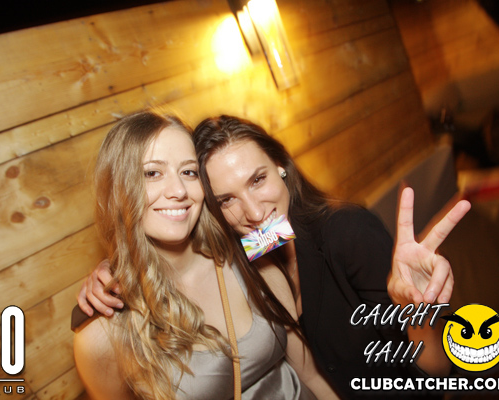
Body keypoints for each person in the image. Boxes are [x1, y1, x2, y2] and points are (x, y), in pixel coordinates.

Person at [78, 115, 471, 398]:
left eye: (258, 179)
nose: (252, 211)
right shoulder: (259, 242)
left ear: (281, 166)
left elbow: (436, 370)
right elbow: (161, 251)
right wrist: (112, 269)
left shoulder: (344, 232)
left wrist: (416, 311)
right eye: (226, 199)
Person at [72, 111, 338, 400]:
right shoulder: (100, 333)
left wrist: (352, 227)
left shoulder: (245, 245)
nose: (178, 191)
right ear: (118, 188)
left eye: (189, 172)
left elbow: (310, 373)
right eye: (152, 173)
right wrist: (114, 268)